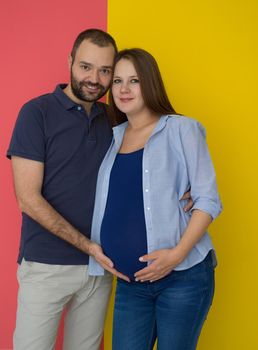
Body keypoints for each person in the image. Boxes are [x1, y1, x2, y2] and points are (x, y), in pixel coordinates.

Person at [89, 48, 222, 350]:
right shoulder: (112, 137)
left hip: (183, 278)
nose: (123, 89)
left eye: (134, 80)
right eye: (118, 80)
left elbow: (209, 200)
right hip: (130, 283)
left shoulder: (181, 129)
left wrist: (175, 256)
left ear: (150, 83)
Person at [6, 28, 127, 350]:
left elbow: (146, 168)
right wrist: (86, 245)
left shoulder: (114, 118)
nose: (94, 79)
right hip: (46, 265)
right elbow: (28, 199)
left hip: (99, 267)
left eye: (105, 71)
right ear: (70, 62)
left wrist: (183, 192)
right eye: (85, 67)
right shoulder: (37, 112)